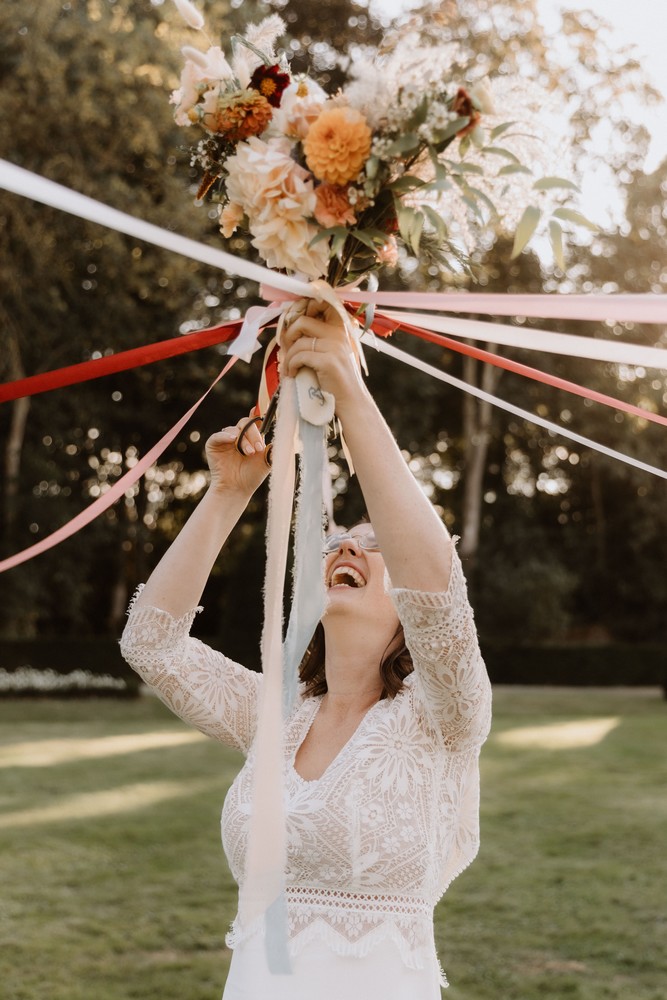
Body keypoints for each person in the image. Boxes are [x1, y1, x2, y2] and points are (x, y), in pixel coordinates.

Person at [120, 300, 492, 1000]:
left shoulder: (445, 716)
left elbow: (438, 592)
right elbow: (152, 642)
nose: (351, 543)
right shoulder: (276, 715)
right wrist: (228, 494)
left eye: (375, 543)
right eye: (341, 538)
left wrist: (347, 388)